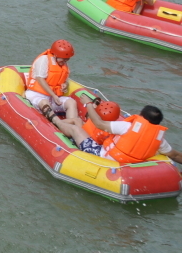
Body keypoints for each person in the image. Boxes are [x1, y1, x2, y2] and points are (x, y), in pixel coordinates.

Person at [47, 101, 182, 164]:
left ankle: (55, 120)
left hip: (104, 157)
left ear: (141, 116)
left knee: (76, 129)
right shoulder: (159, 141)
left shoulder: (127, 127)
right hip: (128, 166)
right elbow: (175, 155)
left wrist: (88, 104)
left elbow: (99, 124)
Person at [24, 40, 79, 121]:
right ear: (56, 55)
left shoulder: (63, 64)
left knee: (71, 102)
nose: (65, 62)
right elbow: (40, 79)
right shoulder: (44, 60)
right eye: (63, 59)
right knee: (44, 103)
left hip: (53, 98)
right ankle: (58, 124)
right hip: (36, 95)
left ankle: (72, 123)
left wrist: (65, 85)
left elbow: (64, 80)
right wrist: (53, 95)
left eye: (67, 60)